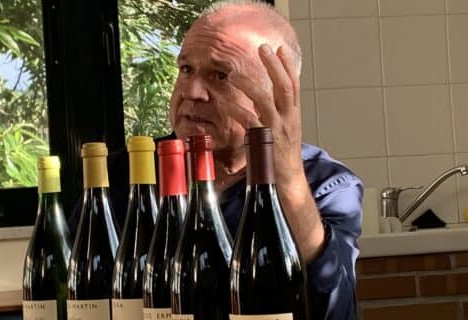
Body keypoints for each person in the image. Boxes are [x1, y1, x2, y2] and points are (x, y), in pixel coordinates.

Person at [76, 1, 363, 319]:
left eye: (220, 75)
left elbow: (335, 308)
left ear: (273, 95)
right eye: (186, 69)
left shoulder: (326, 185)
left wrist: (288, 176)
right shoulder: (124, 175)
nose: (192, 91)